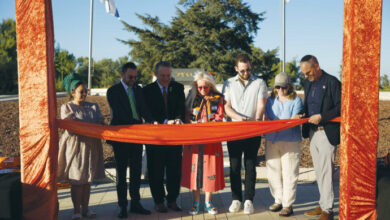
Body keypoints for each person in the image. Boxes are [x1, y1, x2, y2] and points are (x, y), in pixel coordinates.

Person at [222, 53, 268, 214]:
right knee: (234, 166)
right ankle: (236, 199)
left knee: (250, 165)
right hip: (234, 129)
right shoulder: (228, 83)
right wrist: (239, 118)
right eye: (242, 70)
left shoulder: (260, 82)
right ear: (236, 68)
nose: (246, 73)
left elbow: (261, 104)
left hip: (252, 129)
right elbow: (226, 106)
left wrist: (255, 122)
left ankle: (249, 199)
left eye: (248, 69)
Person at [106, 62, 152, 218]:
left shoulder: (138, 90)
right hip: (121, 137)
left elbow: (144, 109)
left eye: (135, 77)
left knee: (136, 171)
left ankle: (136, 203)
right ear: (122, 74)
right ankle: (123, 206)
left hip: (137, 137)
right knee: (121, 173)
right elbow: (118, 114)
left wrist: (153, 122)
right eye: (130, 77)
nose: (133, 79)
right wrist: (136, 125)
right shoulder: (113, 91)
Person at [298, 55, 341, 220]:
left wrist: (322, 116)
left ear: (316, 66)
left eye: (308, 72)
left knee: (326, 172)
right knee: (319, 171)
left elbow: (341, 107)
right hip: (312, 132)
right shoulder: (308, 82)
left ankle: (328, 210)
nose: (306, 76)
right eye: (304, 74)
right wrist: (303, 115)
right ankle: (322, 203)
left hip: (325, 131)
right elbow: (308, 105)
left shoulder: (332, 82)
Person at [57, 73, 105, 220]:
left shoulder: (93, 107)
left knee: (87, 180)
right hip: (75, 148)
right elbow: (70, 128)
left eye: (86, 91)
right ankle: (76, 211)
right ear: (72, 92)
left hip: (91, 147)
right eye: (81, 91)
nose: (84, 94)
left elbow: (101, 123)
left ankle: (86, 209)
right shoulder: (67, 107)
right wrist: (90, 127)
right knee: (77, 180)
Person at [143, 61, 186, 213]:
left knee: (175, 170)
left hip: (174, 138)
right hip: (156, 138)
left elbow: (181, 108)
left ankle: (172, 200)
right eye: (163, 75)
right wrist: (166, 121)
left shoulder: (178, 88)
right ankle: (159, 201)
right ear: (156, 75)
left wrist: (179, 118)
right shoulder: (147, 90)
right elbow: (147, 113)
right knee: (156, 171)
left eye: (168, 75)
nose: (166, 78)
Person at [181, 71, 225, 215]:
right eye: (199, 87)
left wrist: (208, 125)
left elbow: (219, 117)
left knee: (210, 170)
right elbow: (186, 117)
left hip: (211, 141)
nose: (202, 90)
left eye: (205, 87)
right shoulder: (191, 99)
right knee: (194, 171)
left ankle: (208, 201)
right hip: (193, 141)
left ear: (210, 86)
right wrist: (192, 122)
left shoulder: (217, 99)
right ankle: (195, 202)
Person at [264, 72, 303, 217]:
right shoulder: (270, 101)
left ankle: (288, 204)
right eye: (278, 87)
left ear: (289, 86)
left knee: (290, 173)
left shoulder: (296, 101)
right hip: (272, 140)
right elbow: (267, 118)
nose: (280, 90)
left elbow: (294, 120)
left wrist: (280, 123)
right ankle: (278, 200)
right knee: (273, 172)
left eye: (283, 87)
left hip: (290, 141)